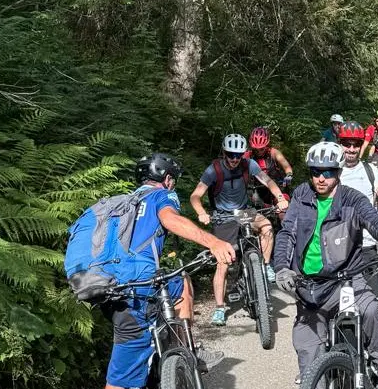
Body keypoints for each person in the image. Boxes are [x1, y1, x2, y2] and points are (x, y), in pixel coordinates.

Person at [272, 142, 378, 388]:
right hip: (309, 285)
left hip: (347, 279)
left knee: (369, 310)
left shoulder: (352, 198)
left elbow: (374, 222)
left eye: (327, 172)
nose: (321, 178)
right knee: (308, 359)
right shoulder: (301, 195)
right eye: (315, 172)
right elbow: (287, 233)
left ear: (338, 171)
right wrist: (282, 267)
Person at [102, 153, 237, 389]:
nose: (172, 183)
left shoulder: (122, 204)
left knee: (180, 284)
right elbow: (170, 219)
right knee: (181, 282)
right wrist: (213, 242)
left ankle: (177, 355)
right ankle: (185, 350)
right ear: (166, 179)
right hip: (137, 286)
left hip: (105, 283)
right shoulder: (161, 195)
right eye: (172, 178)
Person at [189, 134, 290, 326]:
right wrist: (201, 212)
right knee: (223, 263)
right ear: (224, 152)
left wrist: (279, 197)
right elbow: (195, 196)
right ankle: (220, 308)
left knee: (267, 226)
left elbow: (268, 181)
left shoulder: (248, 164)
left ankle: (265, 265)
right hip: (223, 217)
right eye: (231, 154)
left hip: (243, 212)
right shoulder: (214, 169)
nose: (234, 159)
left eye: (238, 155)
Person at [334, 121, 378, 296]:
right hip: (336, 246)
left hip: (366, 245)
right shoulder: (331, 171)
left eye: (356, 144)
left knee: (372, 301)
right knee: (335, 303)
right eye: (346, 144)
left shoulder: (370, 171)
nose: (351, 149)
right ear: (339, 144)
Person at [246, 126, 294, 212]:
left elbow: (286, 166)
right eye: (256, 149)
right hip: (257, 190)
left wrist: (289, 175)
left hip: (278, 187)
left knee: (283, 211)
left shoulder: (274, 152)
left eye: (261, 149)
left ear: (266, 145)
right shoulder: (248, 155)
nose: (259, 152)